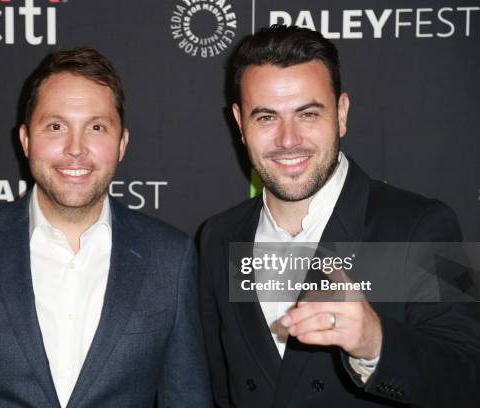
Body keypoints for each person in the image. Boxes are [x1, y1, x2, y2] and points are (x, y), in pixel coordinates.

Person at [0, 48, 211, 407]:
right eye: (56, 126)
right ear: (26, 140)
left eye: (96, 127)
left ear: (121, 144)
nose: (75, 149)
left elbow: (188, 399)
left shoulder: (171, 258)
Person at [199, 25, 480, 407]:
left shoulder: (425, 226)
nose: (287, 140)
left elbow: (469, 373)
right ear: (240, 124)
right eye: (266, 118)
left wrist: (376, 343)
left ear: (341, 113)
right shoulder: (219, 237)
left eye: (308, 114)